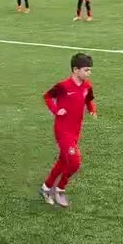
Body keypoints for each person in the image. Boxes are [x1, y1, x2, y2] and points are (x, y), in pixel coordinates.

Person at [40, 53, 97, 208]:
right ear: (75, 70)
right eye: (86, 70)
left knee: (63, 160)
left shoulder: (87, 86)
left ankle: (46, 187)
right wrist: (56, 110)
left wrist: (92, 109)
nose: (89, 73)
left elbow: (88, 98)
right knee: (74, 162)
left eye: (89, 70)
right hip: (63, 130)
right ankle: (60, 188)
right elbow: (47, 96)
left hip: (76, 130)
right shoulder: (63, 86)